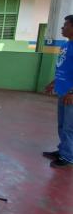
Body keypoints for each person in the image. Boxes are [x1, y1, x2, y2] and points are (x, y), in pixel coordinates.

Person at [43, 15, 73, 168]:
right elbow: (64, 68)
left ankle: (68, 157)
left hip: (70, 94)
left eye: (66, 25)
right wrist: (54, 82)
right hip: (63, 91)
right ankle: (63, 150)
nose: (62, 28)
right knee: (62, 124)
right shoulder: (66, 45)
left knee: (69, 126)